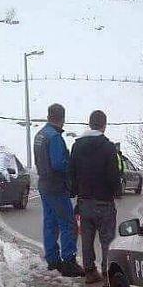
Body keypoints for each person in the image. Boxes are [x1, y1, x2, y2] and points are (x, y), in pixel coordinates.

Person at [68, 110, 121, 286]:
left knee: (87, 239)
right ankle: (107, 276)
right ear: (104, 125)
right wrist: (116, 191)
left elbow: (72, 173)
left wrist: (75, 191)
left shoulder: (76, 146)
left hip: (84, 201)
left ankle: (90, 272)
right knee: (107, 240)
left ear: (89, 124)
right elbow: (113, 174)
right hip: (104, 201)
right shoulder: (108, 147)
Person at [34, 103, 85, 277]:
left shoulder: (40, 135)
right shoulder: (54, 137)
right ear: (62, 118)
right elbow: (58, 163)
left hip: (45, 185)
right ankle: (69, 261)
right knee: (68, 223)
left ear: (49, 116)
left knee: (50, 222)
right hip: (56, 186)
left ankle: (52, 259)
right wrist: (70, 163)